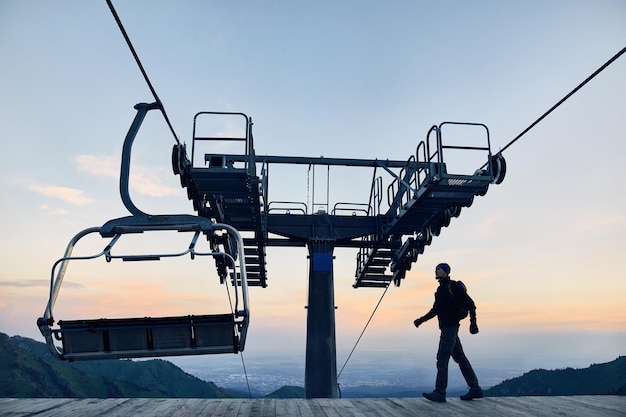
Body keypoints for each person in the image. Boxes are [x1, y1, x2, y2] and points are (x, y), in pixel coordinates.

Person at [413, 262, 483, 402]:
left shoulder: (454, 286)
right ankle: (475, 389)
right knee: (461, 359)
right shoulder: (440, 290)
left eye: (439, 269)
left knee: (442, 359)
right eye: (436, 269)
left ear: (446, 271)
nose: (436, 271)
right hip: (448, 328)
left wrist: (473, 323)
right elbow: (436, 310)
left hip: (450, 328)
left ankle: (440, 392)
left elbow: (471, 304)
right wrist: (421, 320)